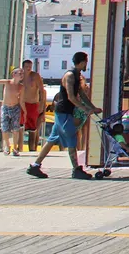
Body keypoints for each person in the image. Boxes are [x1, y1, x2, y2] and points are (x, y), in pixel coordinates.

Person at [27, 51, 102, 179]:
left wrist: (92, 108)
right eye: (86, 62)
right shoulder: (70, 76)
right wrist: (85, 109)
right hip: (64, 111)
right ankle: (76, 169)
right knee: (72, 137)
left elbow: (82, 95)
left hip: (66, 112)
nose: (86, 65)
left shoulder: (77, 75)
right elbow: (71, 97)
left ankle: (35, 165)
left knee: (52, 139)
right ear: (82, 62)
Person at [19, 61, 48, 153]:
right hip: (22, 104)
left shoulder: (35, 76)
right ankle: (19, 148)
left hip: (33, 104)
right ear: (23, 67)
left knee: (33, 129)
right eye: (26, 66)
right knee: (20, 127)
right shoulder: (20, 76)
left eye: (30, 67)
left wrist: (42, 105)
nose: (28, 68)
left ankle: (32, 149)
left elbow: (42, 91)